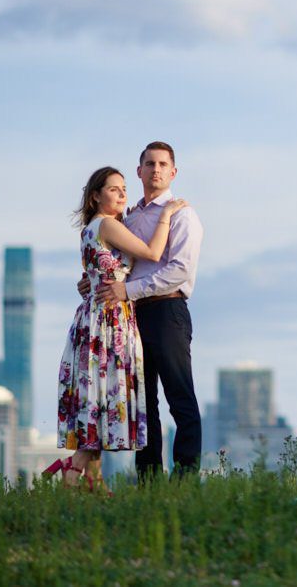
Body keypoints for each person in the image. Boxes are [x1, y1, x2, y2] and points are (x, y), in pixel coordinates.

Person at [47, 165, 187, 491]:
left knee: (96, 398)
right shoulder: (107, 225)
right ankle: (73, 471)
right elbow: (152, 252)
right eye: (114, 188)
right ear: (96, 196)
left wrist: (86, 283)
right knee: (102, 401)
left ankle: (92, 483)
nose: (123, 193)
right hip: (108, 322)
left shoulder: (93, 229)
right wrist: (167, 212)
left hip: (96, 319)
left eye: (124, 187)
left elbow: (96, 275)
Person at [84, 141, 205, 479]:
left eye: (163, 164)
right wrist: (94, 282)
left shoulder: (182, 215)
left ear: (173, 172)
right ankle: (149, 481)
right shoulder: (131, 216)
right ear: (139, 171)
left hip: (168, 312)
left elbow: (178, 270)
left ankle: (185, 478)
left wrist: (127, 289)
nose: (156, 170)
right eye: (149, 164)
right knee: (143, 402)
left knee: (179, 396)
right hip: (132, 317)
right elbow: (120, 261)